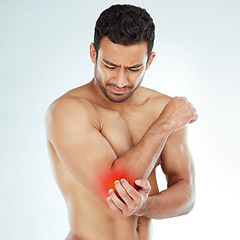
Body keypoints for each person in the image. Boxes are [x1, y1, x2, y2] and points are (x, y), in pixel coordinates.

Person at [45, 4, 198, 240]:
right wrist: (164, 125)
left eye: (134, 68)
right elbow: (115, 189)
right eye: (110, 66)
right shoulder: (67, 111)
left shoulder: (162, 108)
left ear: (149, 61)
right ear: (94, 54)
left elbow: (186, 193)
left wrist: (145, 206)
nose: (120, 80)